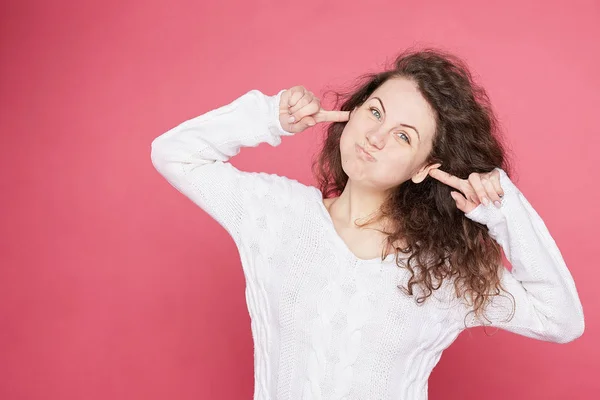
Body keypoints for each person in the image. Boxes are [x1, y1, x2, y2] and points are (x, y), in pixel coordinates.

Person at [150, 48, 585, 399]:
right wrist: (268, 118)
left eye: (403, 136)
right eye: (374, 112)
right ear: (351, 114)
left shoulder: (444, 269)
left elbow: (561, 319)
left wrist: (504, 211)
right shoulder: (276, 216)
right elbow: (174, 154)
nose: (376, 136)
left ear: (423, 168)